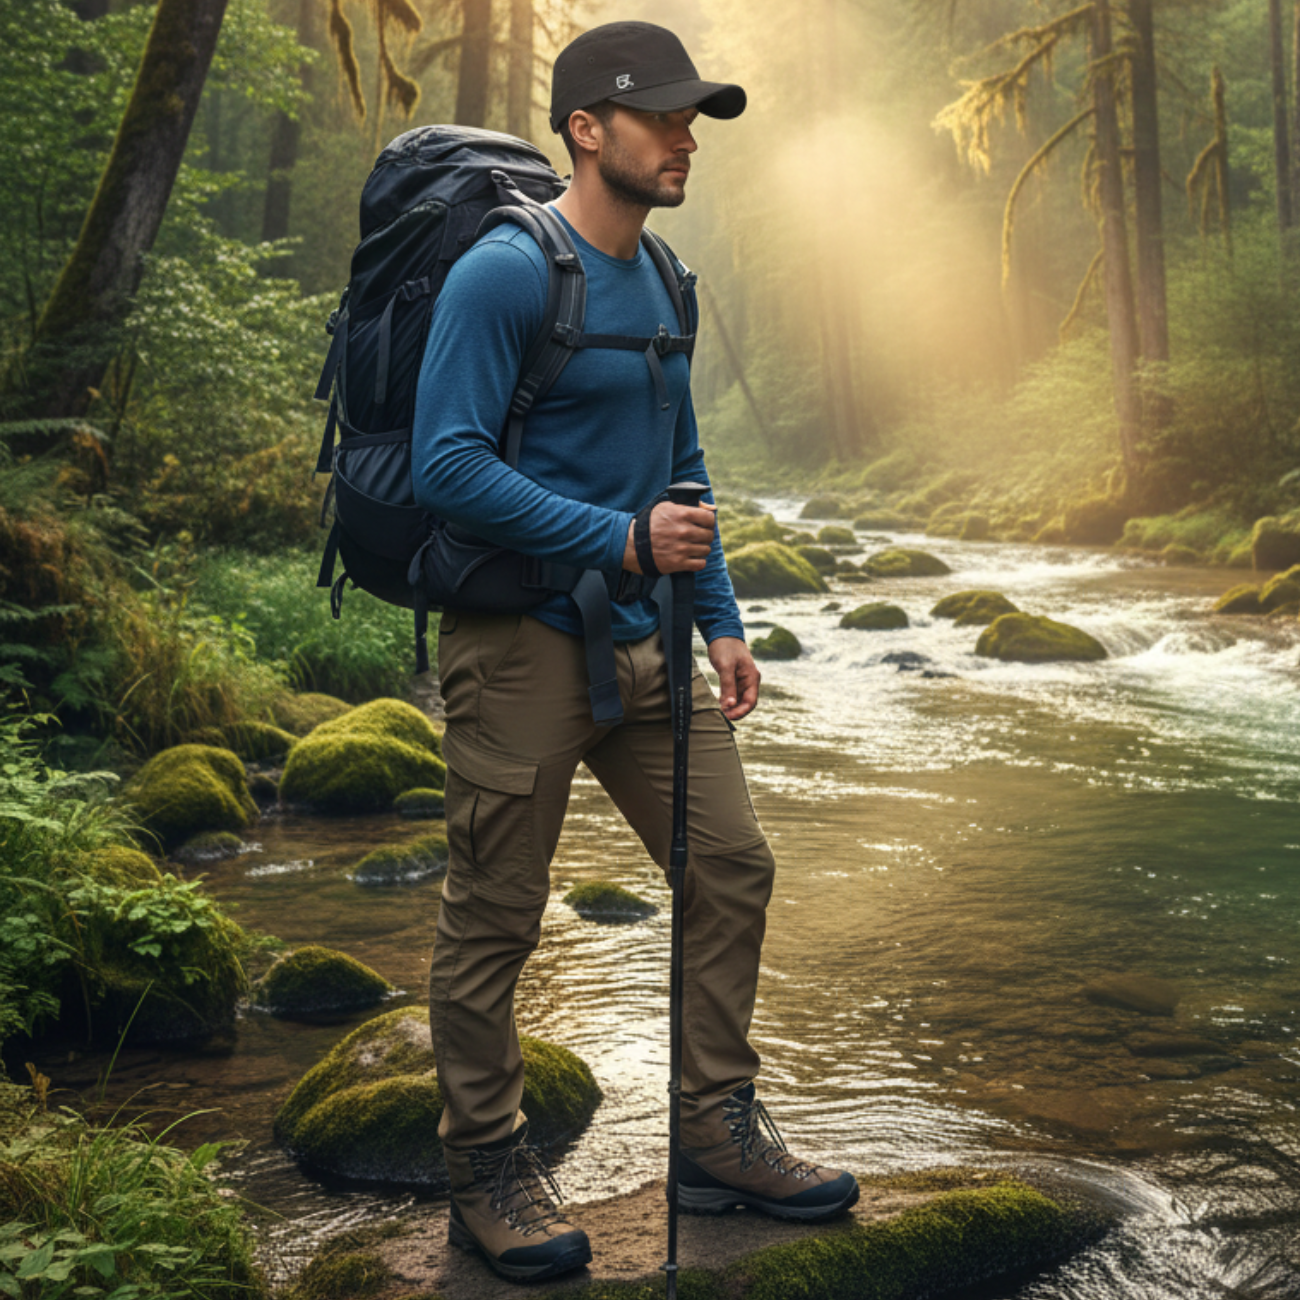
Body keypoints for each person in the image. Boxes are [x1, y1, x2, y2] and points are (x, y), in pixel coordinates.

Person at [411, 19, 860, 1284]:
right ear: (584, 128)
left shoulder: (666, 281)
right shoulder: (505, 275)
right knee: (495, 918)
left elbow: (684, 470)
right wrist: (617, 539)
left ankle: (714, 1132)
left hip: (651, 642)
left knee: (733, 865)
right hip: (518, 646)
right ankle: (483, 1167)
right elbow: (447, 465)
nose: (684, 138)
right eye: (661, 115)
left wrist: (720, 616)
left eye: (691, 117)